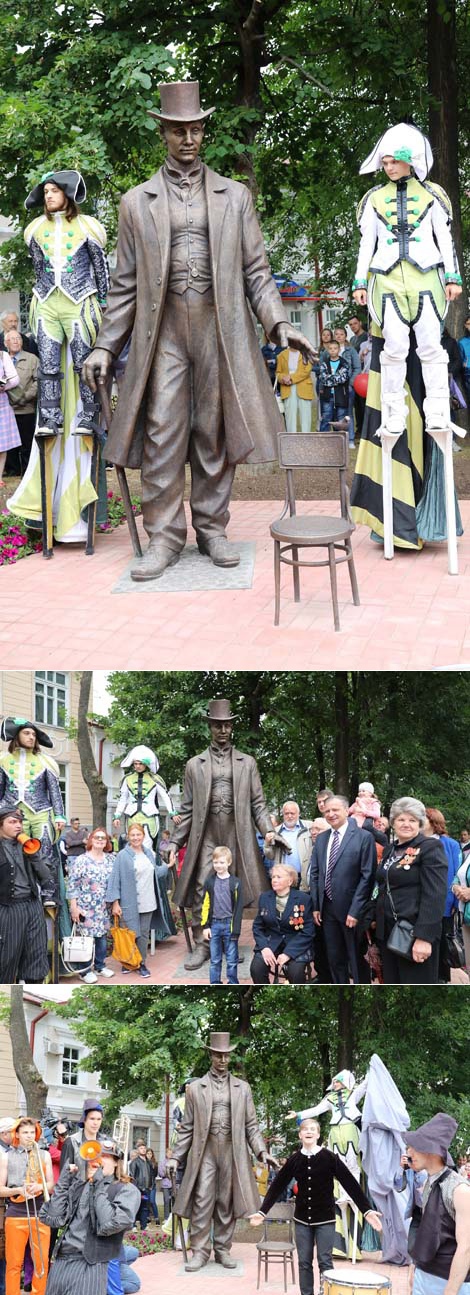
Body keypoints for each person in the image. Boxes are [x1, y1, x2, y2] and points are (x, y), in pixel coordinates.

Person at [83, 79, 315, 580]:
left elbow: (257, 270)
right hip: (163, 332)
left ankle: (212, 528)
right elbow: (124, 286)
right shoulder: (135, 203)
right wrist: (105, 344)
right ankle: (165, 536)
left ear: (203, 132)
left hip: (218, 327)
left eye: (196, 129)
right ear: (164, 133)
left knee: (212, 434)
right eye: (179, 130)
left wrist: (277, 322)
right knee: (164, 432)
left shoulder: (234, 197)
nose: (189, 138)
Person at [351, 123, 463, 550]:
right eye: (382, 158)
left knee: (432, 348)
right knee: (394, 350)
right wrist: (359, 281)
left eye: (392, 158)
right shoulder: (373, 200)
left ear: (409, 159)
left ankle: (437, 408)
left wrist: (452, 276)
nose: (385, 164)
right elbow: (367, 244)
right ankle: (393, 413)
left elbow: (445, 239)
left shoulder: (434, 196)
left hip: (427, 280)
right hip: (387, 282)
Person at [7, 170, 108, 544]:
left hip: (81, 303)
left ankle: (85, 415)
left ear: (68, 194)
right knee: (49, 369)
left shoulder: (90, 228)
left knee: (83, 366)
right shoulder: (33, 230)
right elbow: (39, 269)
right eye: (45, 191)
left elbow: (102, 274)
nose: (48, 196)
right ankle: (50, 419)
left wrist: (106, 312)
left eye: (54, 191)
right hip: (47, 303)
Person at [168, 698, 273, 969]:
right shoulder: (194, 764)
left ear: (232, 727)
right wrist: (174, 841)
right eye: (217, 725)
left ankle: (230, 942)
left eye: (227, 725)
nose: (223, 730)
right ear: (210, 728)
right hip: (206, 835)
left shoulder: (247, 763)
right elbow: (188, 809)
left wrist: (270, 832)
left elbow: (258, 805)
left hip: (237, 835)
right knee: (203, 887)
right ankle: (202, 945)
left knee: (233, 891)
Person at [169, 1030, 276, 1272]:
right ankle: (199, 1251)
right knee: (202, 1200)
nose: (223, 1060)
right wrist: (176, 1156)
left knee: (226, 1203)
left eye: (227, 1056)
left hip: (232, 1151)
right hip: (205, 1152)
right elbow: (187, 1128)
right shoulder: (195, 1088)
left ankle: (223, 1250)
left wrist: (262, 1152)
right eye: (218, 1055)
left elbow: (251, 1125)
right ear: (211, 1056)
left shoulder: (243, 1088)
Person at [250, 1116, 382, 1295]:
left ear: (318, 1134)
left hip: (325, 1219)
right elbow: (278, 1185)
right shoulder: (295, 1159)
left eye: (313, 1129)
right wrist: (262, 1211)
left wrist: (366, 1210)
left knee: (325, 1261)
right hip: (302, 1220)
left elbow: (350, 1183)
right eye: (305, 1129)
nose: (309, 1131)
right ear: (300, 1135)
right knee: (304, 1262)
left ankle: (326, 1292)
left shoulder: (329, 1158)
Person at [40, 1138, 140, 1295]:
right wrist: (64, 1181)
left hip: (92, 1263)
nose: (98, 1160)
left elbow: (110, 1224)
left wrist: (98, 1186)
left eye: (105, 1156)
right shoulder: (80, 1185)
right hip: (62, 1260)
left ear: (116, 1162)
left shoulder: (126, 1189)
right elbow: (52, 1218)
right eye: (94, 1156)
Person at [375, 796, 448, 983]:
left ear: (420, 823)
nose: (406, 824)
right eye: (401, 819)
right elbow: (382, 886)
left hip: (414, 934)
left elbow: (435, 895)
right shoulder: (390, 849)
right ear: (393, 822)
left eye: (412, 820)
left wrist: (424, 937)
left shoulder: (430, 847)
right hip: (389, 934)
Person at [310, 794, 376, 984]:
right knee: (334, 958)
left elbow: (367, 876)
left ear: (347, 811)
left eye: (335, 810)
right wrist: (316, 906)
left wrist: (355, 910)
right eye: (327, 811)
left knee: (355, 958)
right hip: (327, 910)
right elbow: (315, 874)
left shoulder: (364, 837)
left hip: (352, 911)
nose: (331, 814)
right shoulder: (322, 839)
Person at [0, 717, 65, 897]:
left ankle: (48, 892)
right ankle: (16, 889)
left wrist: (59, 816)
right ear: (17, 736)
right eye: (26, 733)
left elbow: (54, 792)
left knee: (42, 851)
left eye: (34, 735)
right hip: (11, 813)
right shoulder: (3, 760)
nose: (31, 737)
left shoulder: (45, 761)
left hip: (40, 813)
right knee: (10, 852)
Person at [406, 1113, 470, 1295]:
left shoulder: (460, 1190)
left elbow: (466, 1248)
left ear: (430, 1150)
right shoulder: (429, 1183)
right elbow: (428, 1231)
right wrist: (414, 1266)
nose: (409, 1153)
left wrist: (450, 1291)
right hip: (424, 1276)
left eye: (414, 1147)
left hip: (450, 1282)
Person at [107, 822, 176, 978]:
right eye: (133, 835)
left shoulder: (148, 854)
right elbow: (115, 880)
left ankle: (141, 963)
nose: (136, 838)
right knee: (131, 933)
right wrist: (115, 903)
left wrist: (169, 865)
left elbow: (156, 873)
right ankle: (128, 961)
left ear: (143, 836)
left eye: (139, 835)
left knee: (143, 934)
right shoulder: (122, 856)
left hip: (148, 901)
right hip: (128, 902)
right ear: (128, 837)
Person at [0, 1116, 54, 1295]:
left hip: (40, 1213)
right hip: (16, 1214)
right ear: (17, 1134)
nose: (29, 1136)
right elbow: (0, 1189)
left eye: (32, 1132)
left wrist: (41, 1186)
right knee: (14, 1263)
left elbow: (52, 1184)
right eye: (25, 1133)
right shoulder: (6, 1156)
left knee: (42, 1262)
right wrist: (18, 1191)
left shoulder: (44, 1154)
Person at [0, 805, 51, 984]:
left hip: (32, 905)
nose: (18, 826)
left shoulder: (28, 845)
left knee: (36, 956)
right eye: (12, 822)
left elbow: (46, 877)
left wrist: (34, 855)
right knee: (7, 958)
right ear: (1, 825)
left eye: (20, 822)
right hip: (8, 908)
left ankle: (34, 985)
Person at [251, 861, 315, 983]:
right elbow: (257, 927)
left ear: (290, 881)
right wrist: (264, 947)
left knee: (295, 973)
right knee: (256, 969)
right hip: (271, 943)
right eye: (273, 877)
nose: (274, 880)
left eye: (279, 877)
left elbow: (308, 931)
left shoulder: (303, 899)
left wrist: (288, 953)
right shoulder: (265, 897)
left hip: (295, 943)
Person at [67, 826, 115, 983]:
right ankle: (85, 970)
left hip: (103, 907)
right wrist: (74, 907)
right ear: (90, 840)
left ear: (107, 842)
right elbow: (72, 884)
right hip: (85, 907)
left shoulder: (111, 859)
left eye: (103, 838)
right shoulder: (82, 860)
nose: (100, 840)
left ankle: (100, 966)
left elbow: (115, 884)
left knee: (101, 937)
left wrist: (115, 903)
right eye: (97, 837)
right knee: (86, 939)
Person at [423, 807, 460, 984]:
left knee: (442, 940)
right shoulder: (416, 842)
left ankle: (442, 977)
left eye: (423, 817)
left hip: (444, 901)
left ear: (433, 822)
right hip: (421, 902)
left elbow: (456, 873)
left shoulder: (450, 844)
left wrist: (453, 900)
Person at [112, 746, 174, 850]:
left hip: (149, 815)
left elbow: (165, 796)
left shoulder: (155, 778)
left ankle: (147, 865)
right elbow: (122, 799)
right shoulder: (127, 779)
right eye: (135, 763)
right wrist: (117, 815)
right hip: (132, 816)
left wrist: (172, 813)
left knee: (147, 845)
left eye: (140, 763)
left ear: (145, 764)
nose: (138, 766)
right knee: (133, 845)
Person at [201, 844, 243, 985]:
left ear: (229, 863)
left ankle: (232, 982)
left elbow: (238, 909)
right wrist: (205, 926)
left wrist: (236, 929)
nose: (218, 865)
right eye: (216, 862)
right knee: (215, 959)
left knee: (231, 959)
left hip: (229, 924)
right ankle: (215, 982)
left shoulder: (236, 883)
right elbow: (206, 904)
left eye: (222, 862)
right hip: (214, 925)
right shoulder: (209, 882)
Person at [3, 330, 38, 477]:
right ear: (6, 343)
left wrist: (26, 396)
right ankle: (12, 472)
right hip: (6, 410)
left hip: (26, 409)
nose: (16, 341)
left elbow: (38, 381)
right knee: (9, 444)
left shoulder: (32, 359)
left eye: (18, 338)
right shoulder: (2, 360)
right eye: (12, 339)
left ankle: (27, 473)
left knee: (27, 443)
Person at [263, 801, 313, 889]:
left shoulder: (309, 827)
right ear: (283, 814)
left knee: (304, 902)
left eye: (292, 813)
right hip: (284, 878)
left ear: (298, 814)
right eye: (287, 813)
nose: (289, 816)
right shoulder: (276, 831)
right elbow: (270, 856)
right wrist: (267, 844)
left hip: (305, 877)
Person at [59, 1100, 104, 1178]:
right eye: (92, 1119)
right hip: (77, 1189)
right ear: (84, 1120)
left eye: (98, 1119)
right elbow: (63, 1176)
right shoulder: (71, 1142)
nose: (95, 1123)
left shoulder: (105, 1141)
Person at [276, 347, 314, 433]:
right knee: (290, 416)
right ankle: (291, 440)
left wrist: (291, 378)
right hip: (287, 387)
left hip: (304, 386)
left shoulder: (306, 353)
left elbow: (306, 371)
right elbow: (278, 373)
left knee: (305, 415)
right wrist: (283, 378)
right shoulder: (281, 355)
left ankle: (306, 439)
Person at [334, 325, 361, 443]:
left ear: (345, 336)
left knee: (348, 412)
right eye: (336, 334)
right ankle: (338, 439)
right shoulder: (329, 350)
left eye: (341, 334)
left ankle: (350, 439)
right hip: (333, 386)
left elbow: (357, 367)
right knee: (335, 412)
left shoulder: (351, 350)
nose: (339, 336)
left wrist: (350, 383)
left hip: (347, 387)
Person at [317, 341, 350, 432]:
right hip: (328, 396)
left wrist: (330, 378)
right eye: (330, 349)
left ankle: (340, 442)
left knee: (340, 421)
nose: (333, 351)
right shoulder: (324, 364)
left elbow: (343, 379)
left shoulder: (344, 363)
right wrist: (336, 377)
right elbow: (323, 379)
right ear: (328, 350)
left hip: (341, 396)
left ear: (339, 350)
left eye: (335, 348)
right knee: (326, 418)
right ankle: (323, 441)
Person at [0, 348, 21, 488]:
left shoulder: (3, 355)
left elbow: (15, 378)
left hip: (1, 402)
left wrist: (4, 386)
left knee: (2, 443)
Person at [129, 1143, 153, 1231]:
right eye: (141, 1148)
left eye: (144, 1148)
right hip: (137, 1188)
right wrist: (135, 1187)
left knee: (145, 1207)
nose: (143, 1149)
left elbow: (151, 1175)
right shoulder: (134, 1162)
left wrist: (151, 1185)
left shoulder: (149, 1162)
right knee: (135, 1206)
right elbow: (132, 1176)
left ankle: (144, 1225)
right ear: (138, 1150)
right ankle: (133, 1225)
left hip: (146, 1188)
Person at [157, 1150, 173, 1222]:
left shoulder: (174, 1162)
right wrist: (169, 1174)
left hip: (173, 1185)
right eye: (169, 1153)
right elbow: (161, 1173)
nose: (170, 1154)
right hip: (165, 1185)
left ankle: (172, 1217)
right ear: (166, 1154)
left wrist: (167, 1173)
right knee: (166, 1201)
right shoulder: (162, 1162)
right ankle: (166, 1218)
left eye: (171, 1153)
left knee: (173, 1201)